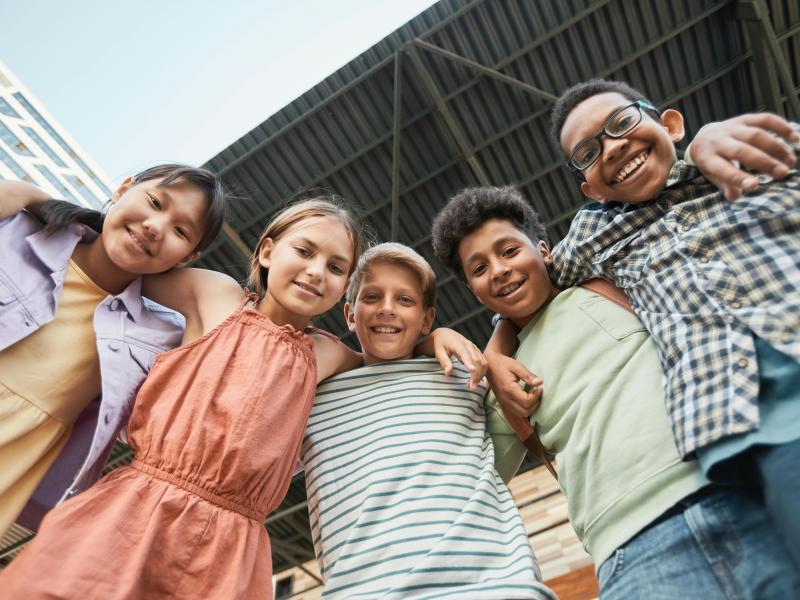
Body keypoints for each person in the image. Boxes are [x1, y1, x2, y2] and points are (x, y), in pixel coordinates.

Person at [430, 186, 800, 598]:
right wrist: (442, 341)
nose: (497, 270)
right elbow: (469, 475)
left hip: (737, 491)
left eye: (509, 251)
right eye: (478, 269)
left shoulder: (617, 282)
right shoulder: (503, 381)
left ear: (544, 249)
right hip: (631, 552)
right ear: (473, 291)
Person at [0, 196, 367, 598]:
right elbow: (121, 263)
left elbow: (397, 361)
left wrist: (436, 336)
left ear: (346, 287)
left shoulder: (327, 354)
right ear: (266, 251)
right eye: (304, 251)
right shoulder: (216, 296)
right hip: (136, 507)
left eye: (336, 268)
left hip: (231, 547)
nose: (316, 272)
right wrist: (35, 199)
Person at [549, 78, 800, 564]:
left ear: (670, 123)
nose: (614, 147)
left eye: (622, 123)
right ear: (590, 189)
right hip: (756, 420)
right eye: (588, 151)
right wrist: (493, 348)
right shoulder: (593, 238)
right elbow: (523, 281)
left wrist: (711, 136)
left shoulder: (739, 154)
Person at [300, 242, 555, 599]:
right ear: (349, 314)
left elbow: (522, 319)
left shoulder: (464, 372)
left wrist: (453, 343)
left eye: (405, 300)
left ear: (427, 318)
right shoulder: (311, 397)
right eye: (372, 297)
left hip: (495, 586)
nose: (387, 309)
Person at [0, 165, 226, 538]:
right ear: (122, 189)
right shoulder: (17, 233)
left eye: (181, 231)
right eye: (154, 202)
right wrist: (32, 195)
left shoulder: (156, 339)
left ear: (188, 257)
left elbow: (176, 427)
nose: (156, 226)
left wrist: (192, 289)